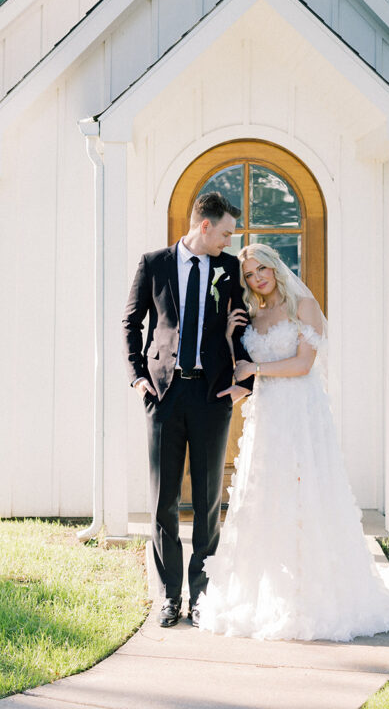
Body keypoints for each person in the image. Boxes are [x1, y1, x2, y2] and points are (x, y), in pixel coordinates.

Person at [197, 243, 389, 641]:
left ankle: (314, 593)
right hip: (268, 416)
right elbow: (240, 371)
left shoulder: (302, 306)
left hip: (301, 414)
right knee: (267, 495)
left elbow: (302, 364)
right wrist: (229, 336)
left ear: (275, 267)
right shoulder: (253, 315)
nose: (258, 278)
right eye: (250, 275)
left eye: (262, 269)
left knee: (304, 491)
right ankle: (270, 592)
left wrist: (255, 367)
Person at [122, 192, 252, 628]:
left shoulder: (229, 270)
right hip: (163, 395)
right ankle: (169, 597)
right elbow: (132, 322)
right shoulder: (154, 263)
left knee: (209, 501)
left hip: (213, 397)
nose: (229, 242)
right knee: (164, 502)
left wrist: (243, 385)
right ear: (204, 226)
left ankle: (201, 597)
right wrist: (138, 376)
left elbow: (245, 326)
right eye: (226, 233)